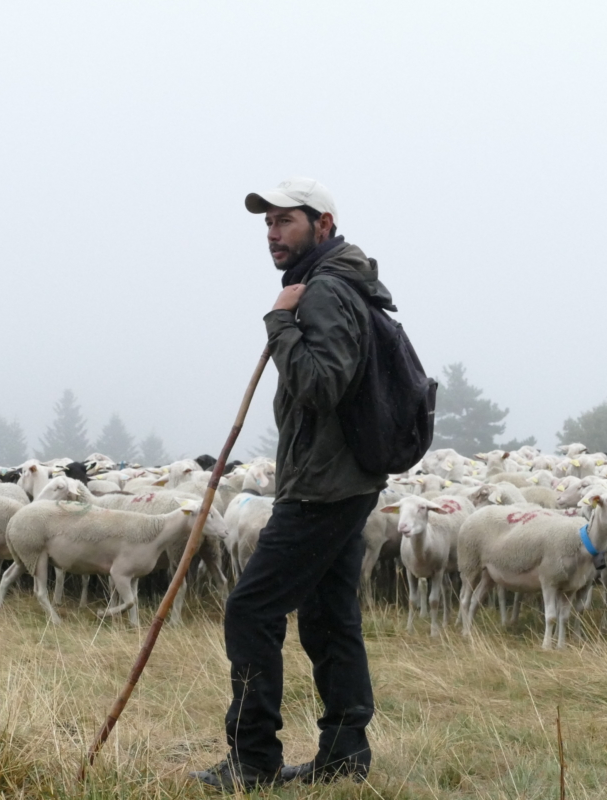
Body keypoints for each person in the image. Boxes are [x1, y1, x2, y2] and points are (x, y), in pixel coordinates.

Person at [191, 177, 394, 792]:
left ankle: (253, 760)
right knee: (330, 616)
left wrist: (280, 323)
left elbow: (319, 385)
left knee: (250, 609)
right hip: (343, 478)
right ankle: (344, 755)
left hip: (323, 485)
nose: (274, 233)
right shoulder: (341, 283)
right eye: (268, 224)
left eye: (286, 221)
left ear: (323, 225)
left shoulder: (326, 292)